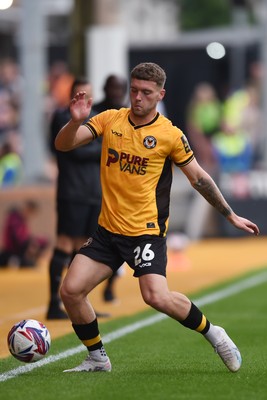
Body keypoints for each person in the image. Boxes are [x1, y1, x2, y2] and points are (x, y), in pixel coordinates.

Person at [55, 62, 259, 373]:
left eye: (146, 93)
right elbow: (63, 144)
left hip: (145, 233)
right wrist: (75, 122)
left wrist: (230, 215)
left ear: (160, 94)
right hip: (108, 231)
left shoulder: (170, 135)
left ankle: (214, 333)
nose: (137, 98)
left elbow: (199, 178)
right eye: (134, 91)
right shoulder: (110, 119)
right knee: (70, 290)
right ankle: (97, 357)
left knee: (156, 296)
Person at [46, 77, 109, 320]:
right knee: (64, 243)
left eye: (88, 94)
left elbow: (93, 148)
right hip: (72, 191)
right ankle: (53, 304)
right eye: (80, 93)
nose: (84, 98)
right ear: (72, 94)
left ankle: (79, 305)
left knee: (83, 248)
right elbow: (74, 149)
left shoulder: (94, 119)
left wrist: (97, 144)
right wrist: (100, 146)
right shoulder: (64, 117)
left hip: (93, 192)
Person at [94, 74, 128, 303]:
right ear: (104, 88)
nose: (116, 91)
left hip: (119, 191)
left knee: (122, 240)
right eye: (112, 87)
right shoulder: (97, 113)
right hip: (93, 187)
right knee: (86, 241)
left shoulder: (128, 116)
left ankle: (110, 285)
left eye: (120, 88)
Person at [0, 200, 49, 268]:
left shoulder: (22, 220)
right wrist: (30, 244)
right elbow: (18, 240)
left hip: (20, 250)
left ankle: (25, 260)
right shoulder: (14, 219)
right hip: (11, 252)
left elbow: (25, 237)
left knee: (44, 241)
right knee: (26, 263)